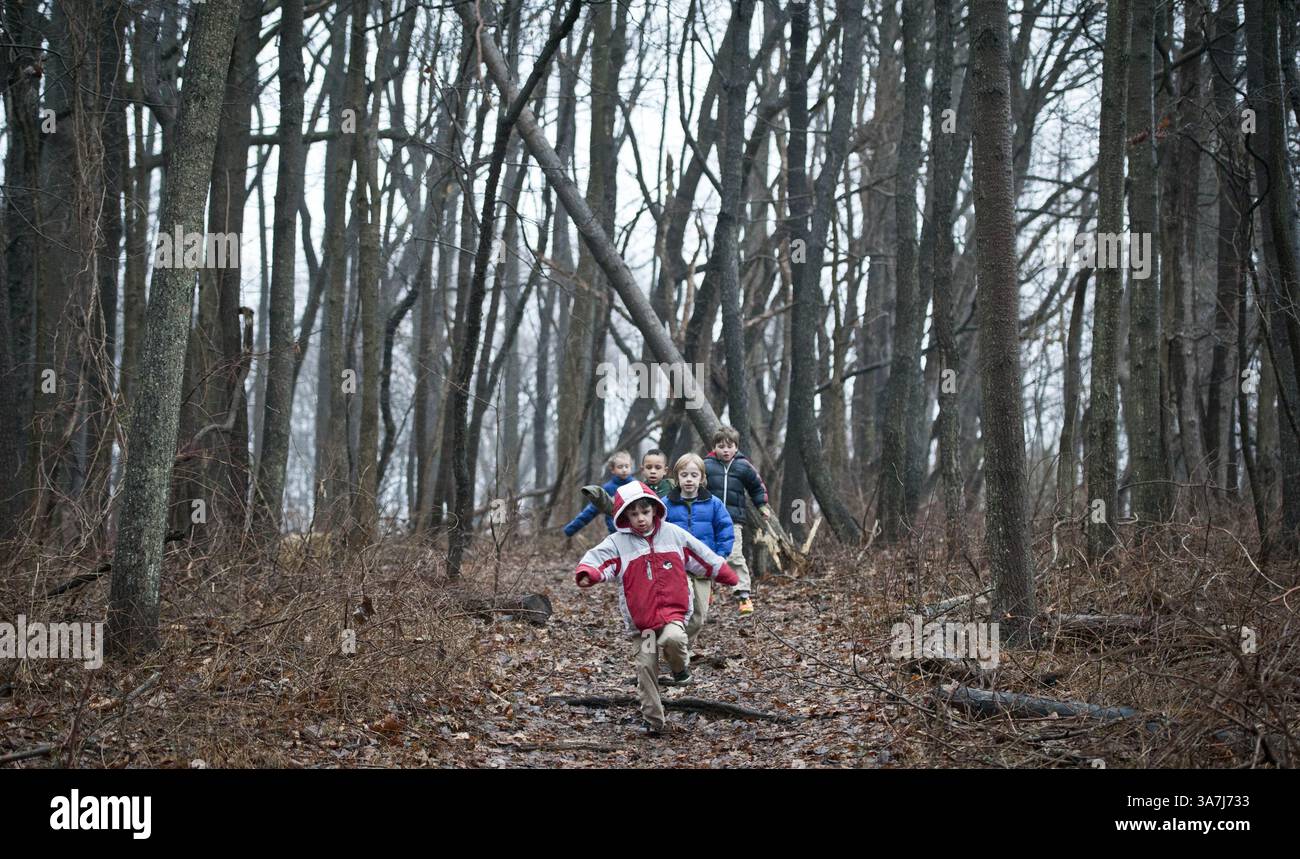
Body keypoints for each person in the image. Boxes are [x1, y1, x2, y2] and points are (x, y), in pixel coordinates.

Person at [574, 481, 738, 735]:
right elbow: (599, 559)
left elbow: (701, 555)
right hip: (643, 624)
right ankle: (653, 722)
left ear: (655, 510)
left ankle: (679, 667)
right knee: (646, 667)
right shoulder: (618, 542)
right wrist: (589, 573)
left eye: (645, 512)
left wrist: (724, 572)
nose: (640, 518)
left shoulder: (673, 534)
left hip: (672, 612)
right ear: (624, 516)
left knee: (673, 638)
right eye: (634, 513)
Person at [661, 452, 733, 653]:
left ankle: (680, 645)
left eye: (694, 475)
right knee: (681, 608)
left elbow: (725, 530)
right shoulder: (666, 504)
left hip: (703, 566)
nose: (689, 479)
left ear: (702, 478)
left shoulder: (714, 504)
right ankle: (674, 648)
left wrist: (721, 555)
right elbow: (656, 531)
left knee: (699, 616)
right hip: (676, 566)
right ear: (677, 478)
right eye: (684, 475)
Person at [703, 426, 771, 615]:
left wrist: (762, 505)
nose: (725, 450)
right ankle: (704, 591)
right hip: (708, 520)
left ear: (736, 447)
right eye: (720, 446)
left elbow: (757, 487)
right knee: (705, 555)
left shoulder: (743, 466)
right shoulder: (706, 465)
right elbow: (693, 484)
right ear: (714, 447)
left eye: (729, 446)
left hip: (733, 520)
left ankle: (743, 595)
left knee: (734, 556)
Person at [562, 450, 635, 537]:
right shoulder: (607, 489)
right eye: (620, 467)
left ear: (631, 467)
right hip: (616, 533)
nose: (624, 470)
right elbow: (591, 511)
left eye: (627, 466)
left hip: (636, 531)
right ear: (613, 470)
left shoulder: (637, 486)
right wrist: (571, 528)